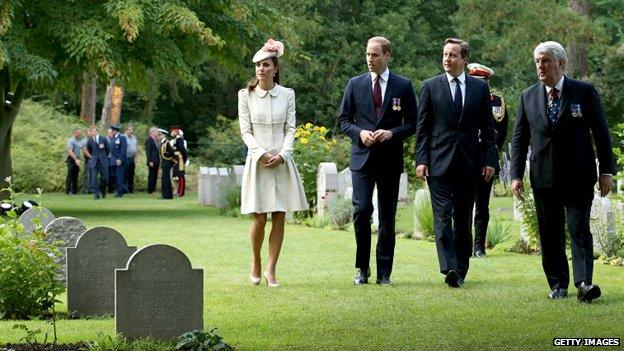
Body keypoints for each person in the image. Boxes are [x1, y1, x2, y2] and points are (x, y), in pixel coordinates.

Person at [510, 41, 615, 302]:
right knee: (550, 232)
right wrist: (515, 176)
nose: (540, 66)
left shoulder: (584, 92)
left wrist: (607, 171)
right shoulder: (528, 96)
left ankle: (583, 284)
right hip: (543, 177)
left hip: (578, 175)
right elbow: (520, 139)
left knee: (578, 228)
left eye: (545, 61)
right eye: (537, 61)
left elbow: (602, 134)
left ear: (561, 63)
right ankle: (558, 283)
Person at [415, 38, 497, 288]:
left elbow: (488, 128)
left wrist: (489, 160)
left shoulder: (479, 88)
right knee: (442, 217)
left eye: (452, 55)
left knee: (463, 219)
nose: (447, 59)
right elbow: (423, 128)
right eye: (444, 54)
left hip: (469, 163)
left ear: (464, 60)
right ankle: (448, 267)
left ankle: (461, 269)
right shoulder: (430, 86)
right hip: (438, 162)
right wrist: (421, 159)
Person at [338, 36, 417, 286]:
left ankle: (385, 272)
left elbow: (414, 123)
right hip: (362, 159)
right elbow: (343, 121)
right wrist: (360, 133)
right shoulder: (355, 84)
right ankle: (362, 269)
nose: (370, 60)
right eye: (367, 55)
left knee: (387, 216)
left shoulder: (403, 85)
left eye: (375, 55)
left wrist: (392, 133)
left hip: (389, 160)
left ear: (387, 56)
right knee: (362, 211)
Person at [238, 38, 308, 287]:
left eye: (266, 65)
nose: (261, 69)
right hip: (258, 160)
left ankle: (271, 269)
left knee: (279, 214)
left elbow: (291, 128)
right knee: (259, 216)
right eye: (258, 65)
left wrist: (284, 154)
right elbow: (245, 131)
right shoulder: (245, 95)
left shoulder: (287, 95)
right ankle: (256, 262)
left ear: (275, 68)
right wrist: (260, 153)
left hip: (281, 160)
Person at [466, 63, 509, 258]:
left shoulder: (497, 103)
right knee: (463, 204)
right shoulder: (462, 97)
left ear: (487, 82)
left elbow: (500, 134)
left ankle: (479, 246)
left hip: (485, 159)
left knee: (482, 205)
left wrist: (489, 156)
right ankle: (464, 245)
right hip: (464, 157)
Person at [84, 125, 109, 200]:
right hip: (94, 162)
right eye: (91, 132)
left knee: (104, 178)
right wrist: (92, 158)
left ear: (97, 131)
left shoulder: (103, 139)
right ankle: (96, 194)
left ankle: (103, 192)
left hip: (103, 161)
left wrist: (104, 157)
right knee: (94, 178)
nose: (93, 133)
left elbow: (108, 150)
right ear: (90, 133)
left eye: (94, 131)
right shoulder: (90, 141)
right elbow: (89, 151)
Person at [108, 124, 128, 198]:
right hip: (113, 160)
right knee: (114, 176)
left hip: (120, 161)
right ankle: (122, 189)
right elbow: (111, 149)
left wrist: (120, 159)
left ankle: (120, 192)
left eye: (112, 130)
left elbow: (123, 149)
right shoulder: (112, 138)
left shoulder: (122, 138)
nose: (111, 132)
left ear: (115, 130)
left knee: (119, 176)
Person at [170, 126, 188, 197]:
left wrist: (184, 159)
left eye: (173, 131)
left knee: (180, 175)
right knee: (176, 175)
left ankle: (181, 192)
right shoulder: (175, 139)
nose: (171, 132)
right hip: (176, 159)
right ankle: (177, 191)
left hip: (180, 159)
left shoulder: (179, 139)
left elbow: (182, 149)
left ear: (176, 132)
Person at [65, 128, 83, 195]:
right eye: (78, 133)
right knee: (70, 174)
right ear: (75, 133)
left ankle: (74, 190)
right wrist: (75, 159)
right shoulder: (70, 140)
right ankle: (68, 190)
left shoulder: (78, 141)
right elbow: (70, 151)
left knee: (75, 175)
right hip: (72, 159)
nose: (80, 134)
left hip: (77, 159)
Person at [159, 128, 174, 200]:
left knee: (166, 179)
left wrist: (169, 159)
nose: (159, 136)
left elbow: (172, 153)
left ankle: (167, 195)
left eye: (160, 134)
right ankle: (165, 194)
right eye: (159, 134)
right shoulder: (162, 142)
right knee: (164, 179)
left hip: (167, 162)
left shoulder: (167, 143)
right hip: (164, 162)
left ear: (163, 135)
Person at [145, 127, 161, 194]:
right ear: (152, 132)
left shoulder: (156, 140)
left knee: (155, 176)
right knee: (151, 175)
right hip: (152, 161)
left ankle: (153, 189)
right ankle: (150, 190)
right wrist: (150, 161)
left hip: (156, 160)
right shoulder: (149, 140)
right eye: (156, 131)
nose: (157, 133)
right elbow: (148, 152)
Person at [124, 124, 137, 194]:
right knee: (125, 174)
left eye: (132, 129)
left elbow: (135, 148)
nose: (131, 131)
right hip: (126, 158)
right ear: (126, 130)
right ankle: (125, 189)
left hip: (132, 158)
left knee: (132, 174)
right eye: (130, 130)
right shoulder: (123, 137)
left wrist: (135, 157)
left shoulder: (134, 137)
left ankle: (131, 189)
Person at [81, 129, 93, 194]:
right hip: (87, 159)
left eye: (91, 133)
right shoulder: (84, 141)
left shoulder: (93, 140)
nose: (90, 134)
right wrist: (91, 157)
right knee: (86, 175)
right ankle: (85, 189)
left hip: (93, 159)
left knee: (92, 174)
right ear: (87, 134)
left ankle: (91, 189)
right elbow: (85, 151)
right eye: (89, 133)